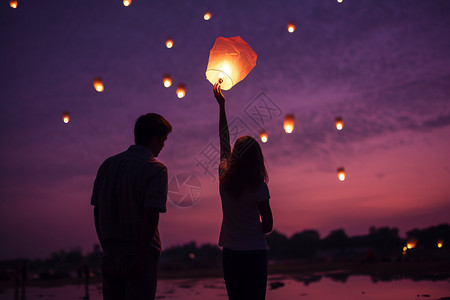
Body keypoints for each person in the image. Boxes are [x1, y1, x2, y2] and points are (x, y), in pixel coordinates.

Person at [91, 113, 172, 300]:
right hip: (139, 253)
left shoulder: (107, 166)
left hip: (111, 252)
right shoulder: (156, 169)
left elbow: (97, 210)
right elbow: (151, 215)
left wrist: (106, 246)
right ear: (154, 139)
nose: (163, 145)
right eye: (163, 140)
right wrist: (141, 257)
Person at [213, 83, 273, 300]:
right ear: (257, 158)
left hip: (230, 253)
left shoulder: (223, 177)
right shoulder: (259, 186)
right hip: (255, 252)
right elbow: (268, 226)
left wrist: (221, 106)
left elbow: (223, 141)